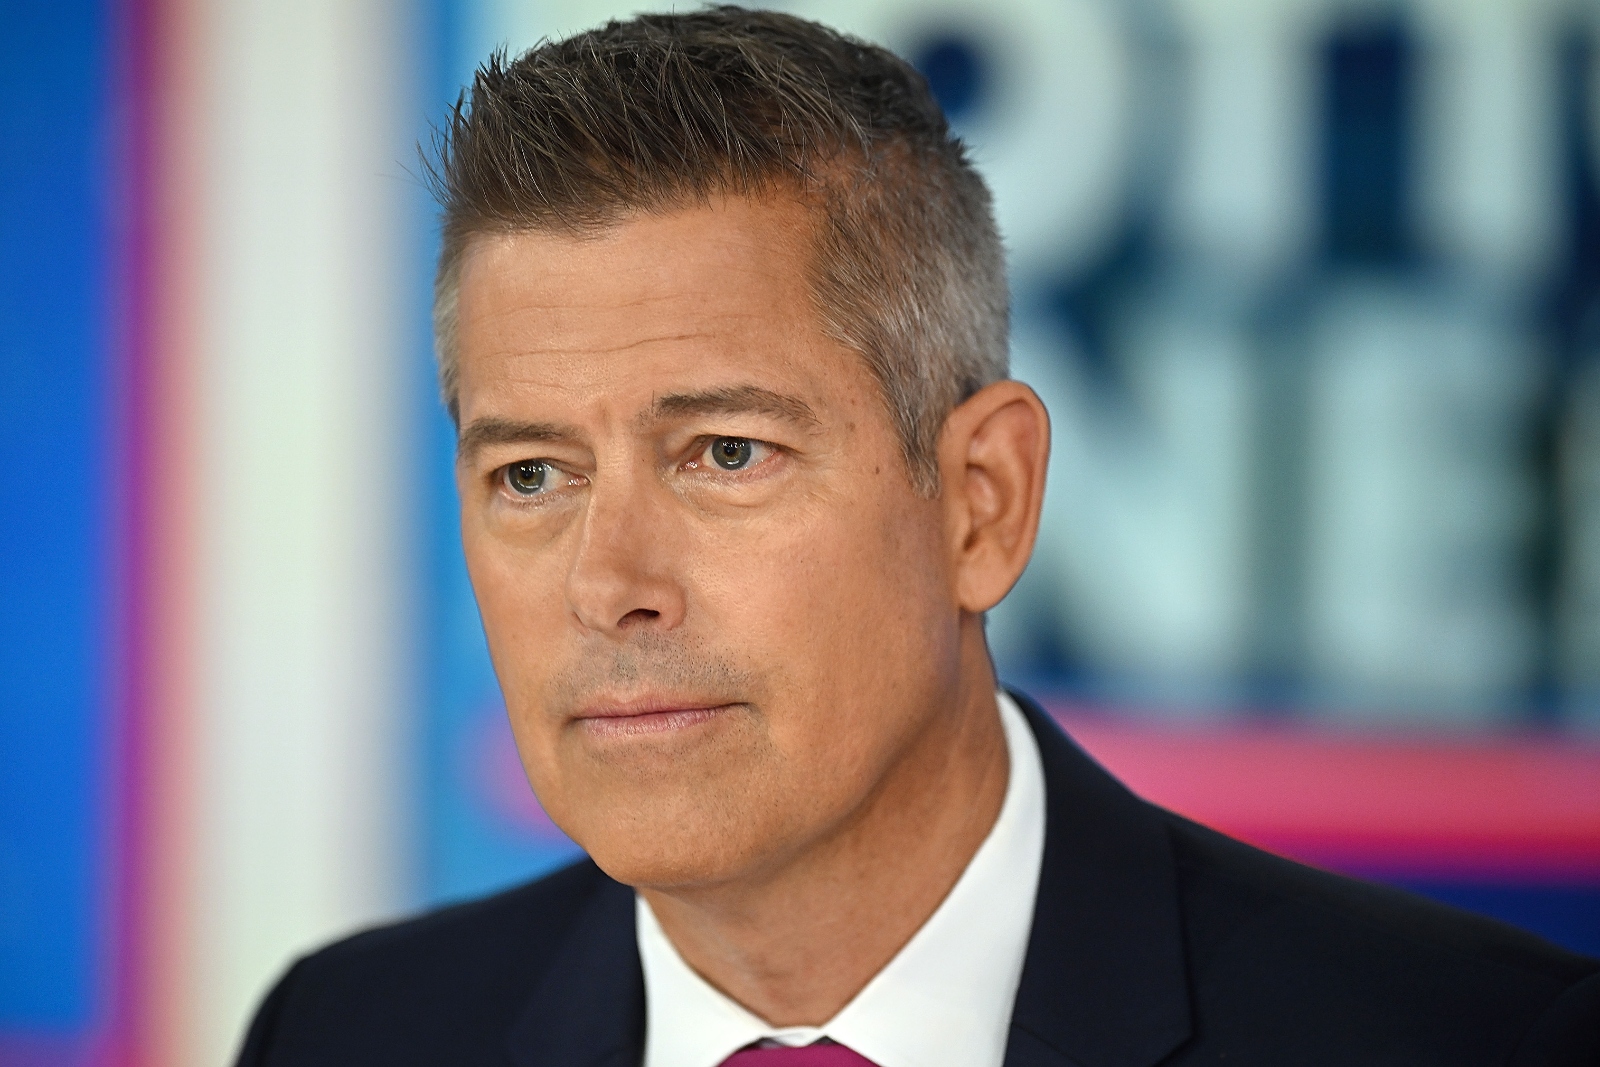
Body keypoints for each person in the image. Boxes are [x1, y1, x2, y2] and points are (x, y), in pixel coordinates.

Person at [235, 8, 1600, 1065]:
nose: (612, 587)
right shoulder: (350, 1032)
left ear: (981, 501)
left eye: (724, 454)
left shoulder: (1471, 1041)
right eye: (532, 474)